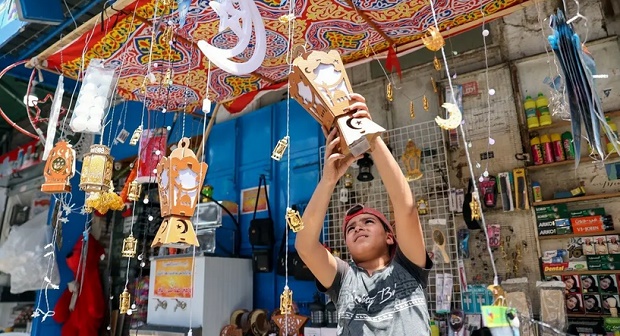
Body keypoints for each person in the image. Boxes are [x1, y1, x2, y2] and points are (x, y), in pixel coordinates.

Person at [295, 93, 433, 335]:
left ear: (390, 237)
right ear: (347, 245)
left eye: (368, 222)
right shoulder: (344, 280)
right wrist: (328, 181)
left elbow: (407, 208)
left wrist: (372, 139)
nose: (357, 227)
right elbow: (305, 247)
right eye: (350, 228)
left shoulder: (408, 267)